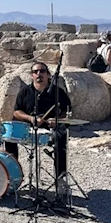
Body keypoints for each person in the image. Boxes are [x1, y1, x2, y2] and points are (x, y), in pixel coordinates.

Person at [7, 62, 72, 196]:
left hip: (50, 127)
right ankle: (13, 175)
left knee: (61, 137)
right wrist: (30, 118)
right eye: (35, 72)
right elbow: (16, 112)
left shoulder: (58, 92)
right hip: (30, 126)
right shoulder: (25, 92)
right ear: (31, 75)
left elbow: (67, 111)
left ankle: (60, 179)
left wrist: (57, 120)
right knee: (9, 137)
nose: (39, 74)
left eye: (42, 71)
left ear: (48, 75)